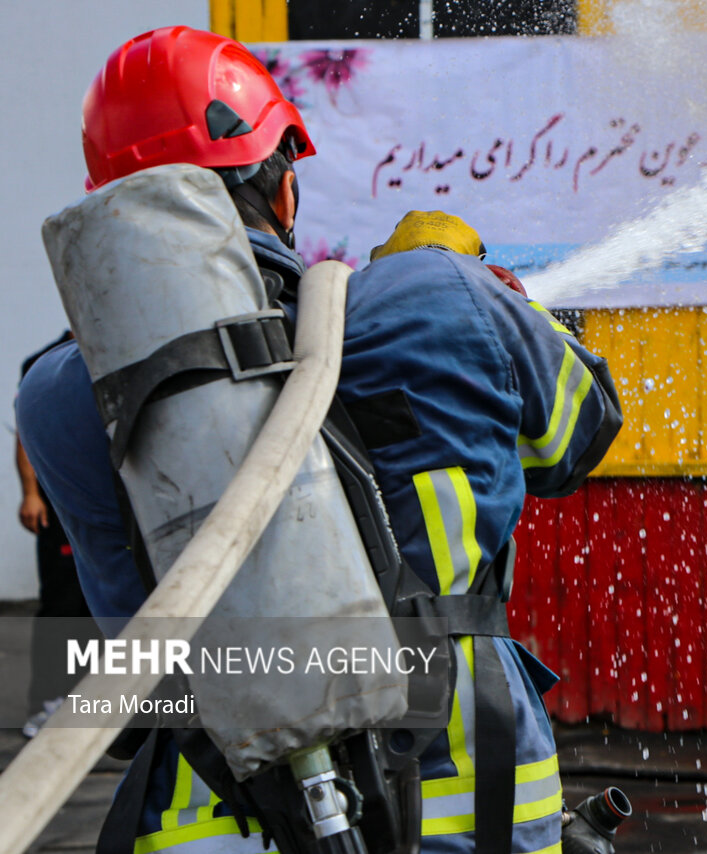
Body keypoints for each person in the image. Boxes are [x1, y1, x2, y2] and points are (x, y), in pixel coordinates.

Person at [17, 25, 622, 854]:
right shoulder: (439, 293)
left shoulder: (60, 393)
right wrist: (488, 295)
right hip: (469, 799)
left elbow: (134, 648)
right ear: (285, 189)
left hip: (210, 818)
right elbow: (579, 436)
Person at [15, 330, 97, 738]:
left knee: (102, 608)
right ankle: (47, 705)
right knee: (62, 606)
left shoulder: (109, 350)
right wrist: (31, 493)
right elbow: (26, 433)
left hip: (105, 507)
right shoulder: (45, 363)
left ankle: (94, 703)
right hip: (60, 509)